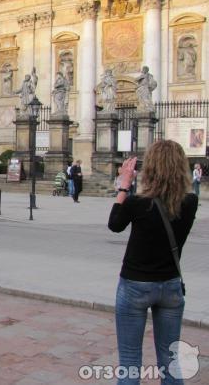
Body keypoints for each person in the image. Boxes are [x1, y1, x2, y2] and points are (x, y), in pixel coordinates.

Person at [108, 140, 198, 385]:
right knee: (170, 362)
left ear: (151, 169)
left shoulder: (137, 203)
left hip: (135, 285)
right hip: (170, 285)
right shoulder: (190, 202)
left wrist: (124, 185)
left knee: (129, 360)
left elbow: (114, 224)